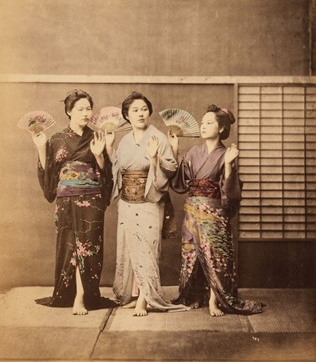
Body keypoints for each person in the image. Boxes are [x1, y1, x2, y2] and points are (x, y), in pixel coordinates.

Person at [169, 104, 264, 316]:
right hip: (191, 210)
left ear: (221, 128)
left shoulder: (226, 153)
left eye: (209, 123)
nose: (203, 126)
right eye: (202, 123)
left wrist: (229, 166)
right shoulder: (194, 152)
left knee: (214, 256)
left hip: (214, 212)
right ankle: (193, 296)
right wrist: (175, 151)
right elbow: (181, 182)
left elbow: (230, 193)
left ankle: (214, 300)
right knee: (191, 254)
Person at [32, 89, 115, 315]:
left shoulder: (97, 136)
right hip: (66, 199)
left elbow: (107, 171)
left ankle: (81, 297)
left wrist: (100, 154)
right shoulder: (57, 138)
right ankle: (72, 294)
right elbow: (49, 172)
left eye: (89, 108)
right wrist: (41, 148)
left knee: (87, 246)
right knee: (70, 245)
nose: (86, 113)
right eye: (80, 109)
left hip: (92, 198)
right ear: (69, 111)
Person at [105, 91, 189, 316]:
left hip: (150, 199)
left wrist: (155, 159)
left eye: (144, 109)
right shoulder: (124, 140)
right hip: (127, 201)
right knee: (130, 248)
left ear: (149, 111)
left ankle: (146, 298)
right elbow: (117, 167)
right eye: (135, 110)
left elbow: (170, 167)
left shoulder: (158, 137)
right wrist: (110, 148)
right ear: (127, 115)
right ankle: (133, 295)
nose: (141, 113)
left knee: (147, 249)